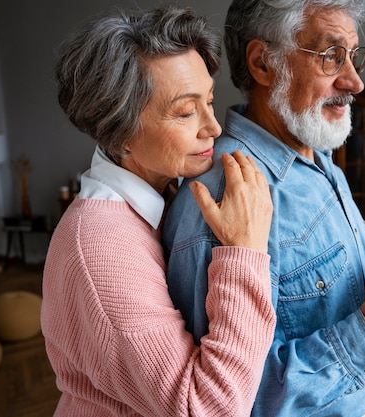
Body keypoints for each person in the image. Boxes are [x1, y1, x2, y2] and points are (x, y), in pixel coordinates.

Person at [163, 0, 365, 415]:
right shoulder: (226, 194)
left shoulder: (317, 158)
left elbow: (333, 293)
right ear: (263, 64)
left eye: (353, 57)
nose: (354, 82)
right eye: (331, 57)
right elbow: (225, 402)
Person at [41, 5, 276, 416]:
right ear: (120, 129)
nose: (213, 127)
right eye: (185, 112)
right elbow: (206, 408)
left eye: (209, 100)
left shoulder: (168, 195)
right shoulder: (100, 247)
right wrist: (246, 251)